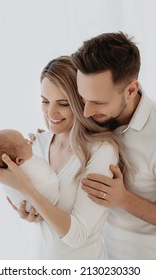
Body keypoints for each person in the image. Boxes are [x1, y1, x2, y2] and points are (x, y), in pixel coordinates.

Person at [0, 56, 129, 260]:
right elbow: (41, 209)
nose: (51, 112)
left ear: (81, 103)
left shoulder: (100, 151)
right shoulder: (36, 143)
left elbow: (77, 236)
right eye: (44, 101)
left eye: (63, 103)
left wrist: (25, 188)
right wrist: (27, 214)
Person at [71, 31, 156, 259]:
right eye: (82, 98)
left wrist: (124, 199)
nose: (86, 112)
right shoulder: (93, 119)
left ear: (130, 90)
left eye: (98, 102)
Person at [0, 129, 59, 212]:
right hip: (48, 197)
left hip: (28, 208)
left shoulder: (4, 177)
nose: (28, 141)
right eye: (25, 142)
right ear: (20, 160)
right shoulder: (28, 167)